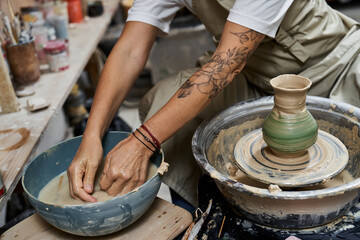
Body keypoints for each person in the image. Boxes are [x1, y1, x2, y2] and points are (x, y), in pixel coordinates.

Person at [67, 0, 360, 208]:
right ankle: (199, 215)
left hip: (332, 65)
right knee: (161, 105)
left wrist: (141, 142)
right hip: (252, 74)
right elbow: (130, 50)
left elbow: (225, 65)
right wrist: (90, 137)